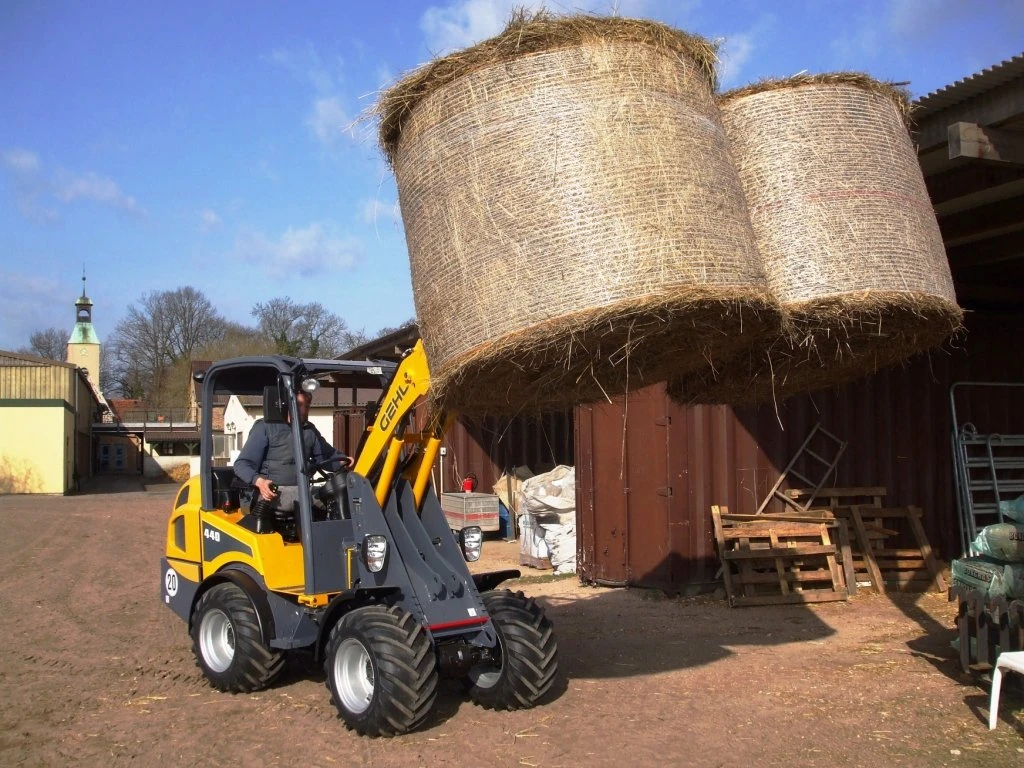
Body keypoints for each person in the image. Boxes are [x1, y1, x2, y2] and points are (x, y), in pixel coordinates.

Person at [233, 389, 354, 514]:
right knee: (313, 499)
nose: (304, 409)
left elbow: (326, 456)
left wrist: (343, 461)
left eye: (307, 406)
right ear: (286, 405)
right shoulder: (265, 427)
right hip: (274, 491)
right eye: (299, 405)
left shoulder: (309, 430)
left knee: (341, 498)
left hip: (302, 489)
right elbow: (241, 464)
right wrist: (260, 482)